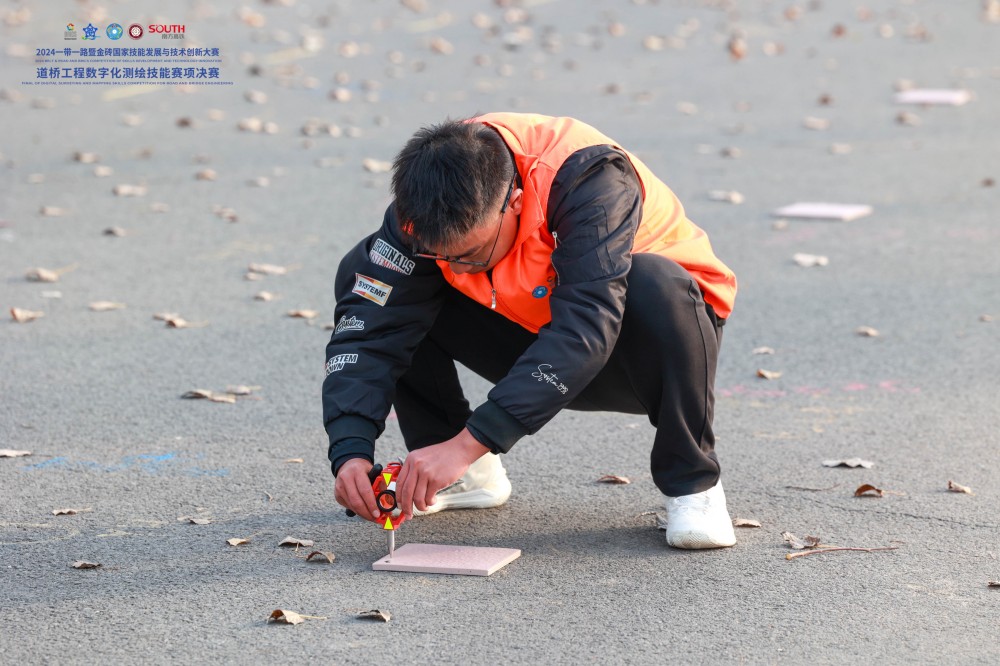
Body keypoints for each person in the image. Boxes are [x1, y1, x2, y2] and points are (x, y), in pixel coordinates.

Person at [323, 113, 738, 549]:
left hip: (642, 350)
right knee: (374, 282)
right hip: (532, 332)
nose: (456, 268)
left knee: (657, 283)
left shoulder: (592, 181)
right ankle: (461, 475)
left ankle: (693, 485)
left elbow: (588, 323)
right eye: (440, 254)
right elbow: (369, 331)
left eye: (471, 253)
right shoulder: (418, 208)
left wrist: (470, 443)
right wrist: (350, 450)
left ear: (516, 202)